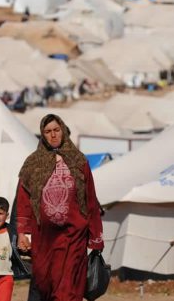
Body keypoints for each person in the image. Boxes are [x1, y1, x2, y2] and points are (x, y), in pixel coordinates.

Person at [15, 114, 104, 301]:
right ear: (42, 135)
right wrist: (22, 232)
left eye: (56, 130)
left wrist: (96, 237)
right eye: (48, 132)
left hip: (74, 235)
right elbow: (24, 199)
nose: (53, 135)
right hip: (44, 238)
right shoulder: (33, 163)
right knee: (45, 282)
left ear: (63, 130)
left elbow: (91, 200)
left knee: (68, 288)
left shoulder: (79, 161)